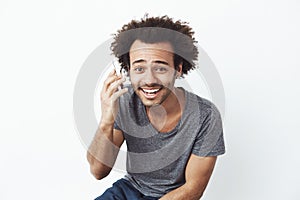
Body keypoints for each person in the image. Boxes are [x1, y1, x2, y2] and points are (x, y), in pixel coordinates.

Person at [87, 15, 225, 200]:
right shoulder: (125, 101)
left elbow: (193, 189)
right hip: (128, 190)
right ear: (128, 71)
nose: (149, 80)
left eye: (160, 68)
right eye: (139, 68)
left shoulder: (205, 116)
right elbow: (98, 171)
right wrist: (106, 120)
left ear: (178, 69)